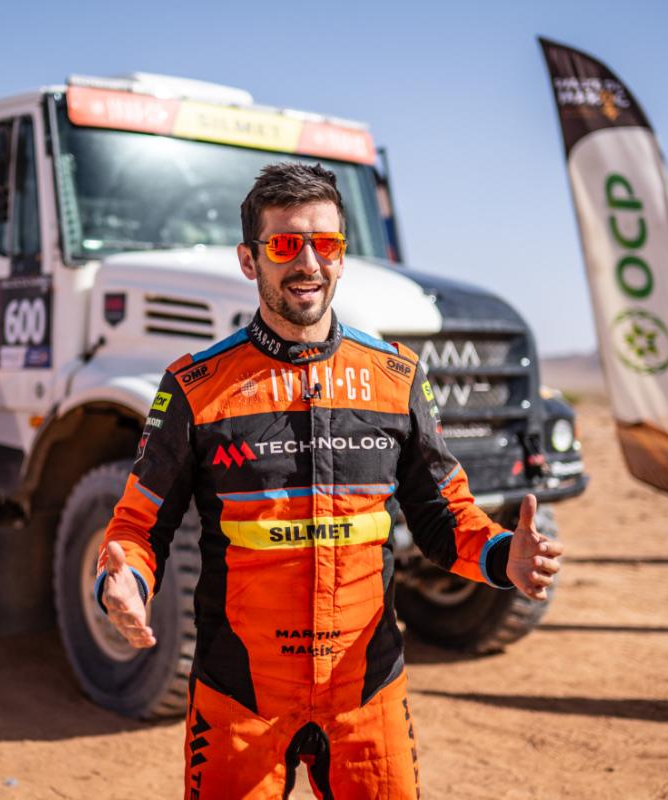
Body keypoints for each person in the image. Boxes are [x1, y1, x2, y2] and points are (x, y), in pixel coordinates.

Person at [96, 163, 564, 798]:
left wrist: (504, 554)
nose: (309, 263)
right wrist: (123, 578)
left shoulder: (396, 377)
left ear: (343, 256)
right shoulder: (195, 387)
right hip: (241, 694)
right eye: (286, 244)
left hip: (366, 691)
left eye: (327, 244)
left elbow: (442, 514)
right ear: (249, 259)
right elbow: (139, 525)